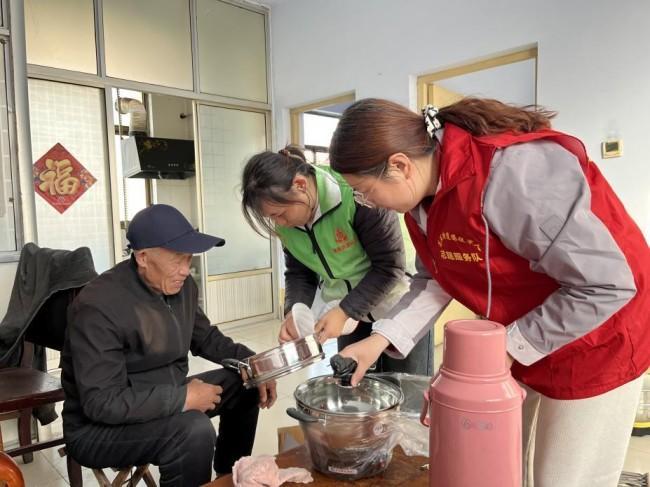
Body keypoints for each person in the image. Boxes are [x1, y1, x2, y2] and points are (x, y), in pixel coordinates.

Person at [327, 97, 650, 487]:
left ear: (399, 165)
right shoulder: (421, 203)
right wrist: (377, 340)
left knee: (566, 477)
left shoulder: (513, 174)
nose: (368, 203)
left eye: (365, 191)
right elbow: (435, 279)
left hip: (599, 338)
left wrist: (504, 350)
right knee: (512, 466)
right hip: (527, 330)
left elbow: (605, 283)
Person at [61, 204, 277, 487]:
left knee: (245, 381)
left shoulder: (181, 287)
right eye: (177, 260)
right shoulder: (97, 306)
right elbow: (103, 403)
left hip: (162, 397)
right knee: (194, 430)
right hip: (98, 429)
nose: (186, 270)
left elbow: (206, 338)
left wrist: (254, 362)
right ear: (142, 257)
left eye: (189, 259)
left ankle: (228, 479)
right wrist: (182, 399)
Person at [241, 146, 432, 375]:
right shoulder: (287, 225)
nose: (280, 224)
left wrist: (345, 311)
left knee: (406, 383)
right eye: (272, 218)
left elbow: (389, 267)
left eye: (279, 214)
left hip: (398, 303)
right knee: (354, 383)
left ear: (300, 185)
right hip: (345, 313)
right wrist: (294, 310)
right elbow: (299, 272)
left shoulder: (354, 193)